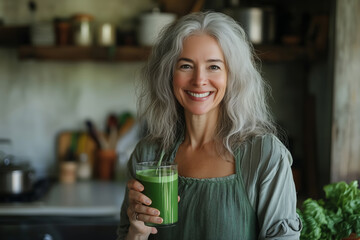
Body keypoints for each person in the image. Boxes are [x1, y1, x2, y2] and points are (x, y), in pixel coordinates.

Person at [117, 11, 301, 240]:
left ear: (231, 76)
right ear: (168, 74)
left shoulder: (264, 156)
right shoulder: (148, 155)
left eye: (213, 67)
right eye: (185, 66)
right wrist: (137, 232)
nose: (199, 80)